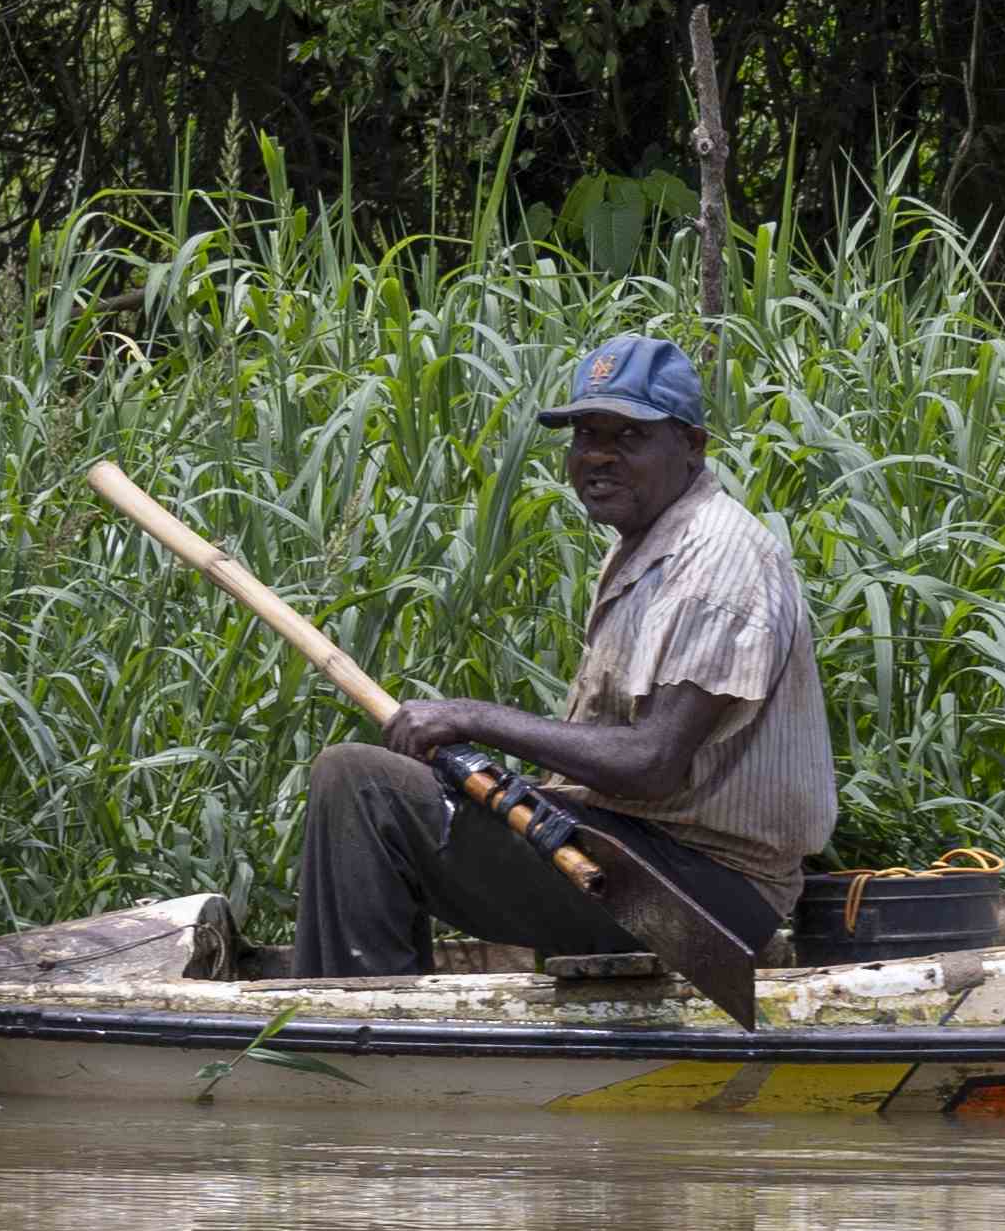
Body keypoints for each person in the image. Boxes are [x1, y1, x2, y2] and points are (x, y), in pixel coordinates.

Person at [292, 333, 837, 978]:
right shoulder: (646, 543)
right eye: (585, 436)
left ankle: (361, 1038)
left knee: (360, 784)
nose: (598, 458)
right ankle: (372, 1012)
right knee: (386, 784)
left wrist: (472, 718)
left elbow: (651, 764)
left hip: (704, 896)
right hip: (639, 856)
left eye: (628, 438)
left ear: (691, 445)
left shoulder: (717, 559)